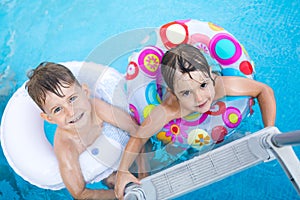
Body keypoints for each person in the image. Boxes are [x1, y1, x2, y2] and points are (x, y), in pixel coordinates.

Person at [114, 44, 276, 199]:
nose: (199, 98)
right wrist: (122, 171)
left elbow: (264, 90)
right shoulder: (171, 108)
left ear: (211, 75)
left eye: (203, 85)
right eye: (186, 93)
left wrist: (268, 128)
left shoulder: (220, 86)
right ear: (173, 93)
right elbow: (139, 137)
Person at [26, 62, 141, 199]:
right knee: (112, 179)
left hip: (129, 155)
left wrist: (144, 176)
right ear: (49, 119)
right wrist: (120, 196)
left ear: (85, 92)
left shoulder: (97, 109)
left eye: (72, 99)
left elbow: (136, 130)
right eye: (57, 109)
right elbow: (80, 193)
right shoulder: (66, 146)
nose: (71, 112)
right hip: (109, 175)